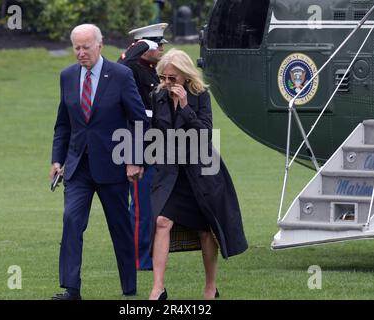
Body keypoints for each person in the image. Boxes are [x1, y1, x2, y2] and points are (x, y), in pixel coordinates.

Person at [50, 24, 149, 300]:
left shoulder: (121, 75)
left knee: (120, 227)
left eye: (86, 47)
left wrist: (134, 159)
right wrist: (57, 160)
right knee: (71, 221)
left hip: (114, 166)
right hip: (78, 166)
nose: (81, 53)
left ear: (99, 45)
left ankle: (129, 287)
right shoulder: (67, 76)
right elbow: (63, 124)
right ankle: (71, 289)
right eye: (77, 48)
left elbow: (139, 120)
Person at [148, 49, 248, 300]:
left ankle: (210, 288)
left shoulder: (200, 95)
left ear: (185, 75)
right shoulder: (158, 95)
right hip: (171, 172)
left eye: (172, 78)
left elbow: (204, 133)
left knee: (206, 230)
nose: (167, 83)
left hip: (200, 172)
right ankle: (158, 288)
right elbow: (154, 131)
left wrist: (184, 106)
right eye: (164, 77)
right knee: (161, 221)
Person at [118, 22, 168, 271]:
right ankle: (138, 258)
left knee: (153, 205)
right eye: (156, 44)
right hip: (139, 141)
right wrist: (138, 48)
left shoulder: (153, 70)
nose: (160, 49)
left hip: (156, 142)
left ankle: (150, 252)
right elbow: (121, 66)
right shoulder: (132, 68)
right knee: (141, 206)